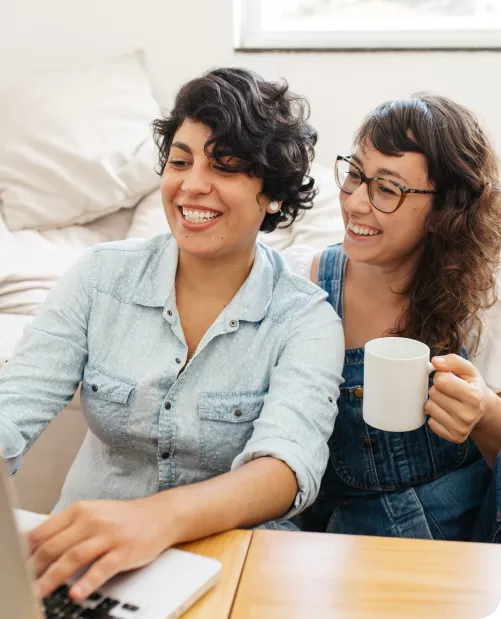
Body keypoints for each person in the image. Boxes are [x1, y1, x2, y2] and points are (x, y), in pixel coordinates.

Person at [0, 67, 344, 601]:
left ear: (271, 195)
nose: (192, 184)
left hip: (228, 570)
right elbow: (14, 403)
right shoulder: (99, 278)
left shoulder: (305, 319)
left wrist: (153, 521)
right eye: (180, 161)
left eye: (225, 167)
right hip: (84, 570)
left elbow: (284, 468)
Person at [284, 92, 501, 541]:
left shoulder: (484, 300)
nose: (357, 204)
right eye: (355, 176)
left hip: (460, 544)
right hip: (346, 542)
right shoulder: (304, 284)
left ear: (445, 209)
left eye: (387, 189)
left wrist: (482, 412)